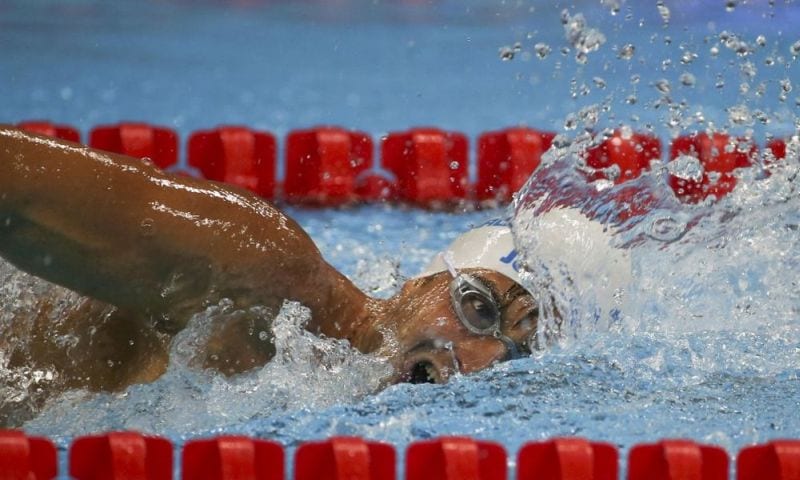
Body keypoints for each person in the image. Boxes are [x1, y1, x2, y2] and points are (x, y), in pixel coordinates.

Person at [0, 126, 539, 422]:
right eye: (478, 308)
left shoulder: (327, 402)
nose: (480, 359)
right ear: (418, 285)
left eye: (515, 351)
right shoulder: (262, 265)